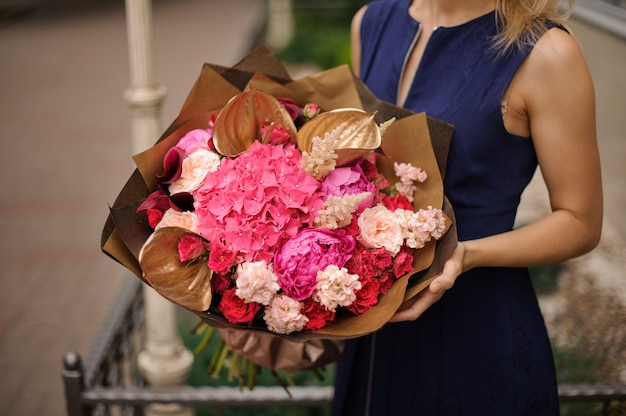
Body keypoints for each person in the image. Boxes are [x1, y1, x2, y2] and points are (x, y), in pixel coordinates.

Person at [331, 0, 603, 414]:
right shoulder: (370, 22)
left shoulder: (545, 51)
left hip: (477, 329)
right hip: (374, 330)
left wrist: (468, 254)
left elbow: (581, 221)